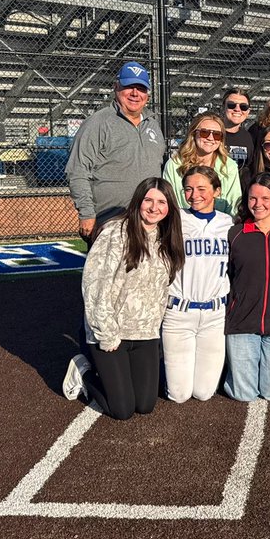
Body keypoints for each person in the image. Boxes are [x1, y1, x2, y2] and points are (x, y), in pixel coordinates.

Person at [79, 178, 184, 420]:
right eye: (148, 200)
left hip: (145, 332)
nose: (154, 207)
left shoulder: (167, 239)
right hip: (113, 332)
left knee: (145, 405)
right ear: (138, 201)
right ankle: (83, 372)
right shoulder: (115, 232)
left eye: (161, 202)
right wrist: (106, 333)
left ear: (169, 207)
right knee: (122, 409)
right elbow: (94, 285)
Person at [65, 61, 167, 244]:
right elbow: (78, 170)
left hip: (149, 220)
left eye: (141, 88)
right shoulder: (98, 123)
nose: (135, 94)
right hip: (110, 219)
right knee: (107, 272)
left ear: (148, 94)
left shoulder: (153, 124)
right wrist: (87, 212)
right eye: (129, 87)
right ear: (116, 87)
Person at [224, 172, 270, 402]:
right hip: (243, 322)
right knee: (243, 394)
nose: (258, 204)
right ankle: (228, 375)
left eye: (265, 198)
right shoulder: (235, 233)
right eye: (253, 198)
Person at [163, 166, 233, 403]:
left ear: (217, 191)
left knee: (203, 393)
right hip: (179, 314)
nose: (194, 195)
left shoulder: (229, 224)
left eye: (202, 188)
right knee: (179, 395)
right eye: (188, 189)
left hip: (215, 315)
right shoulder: (174, 220)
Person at [162, 112, 242, 216]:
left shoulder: (229, 166)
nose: (210, 138)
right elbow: (170, 202)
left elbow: (234, 204)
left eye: (217, 135)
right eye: (205, 132)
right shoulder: (175, 165)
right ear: (194, 134)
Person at [222, 87, 254, 176]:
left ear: (248, 111)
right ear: (223, 107)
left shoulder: (248, 137)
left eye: (243, 106)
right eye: (231, 105)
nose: (237, 109)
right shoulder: (212, 133)